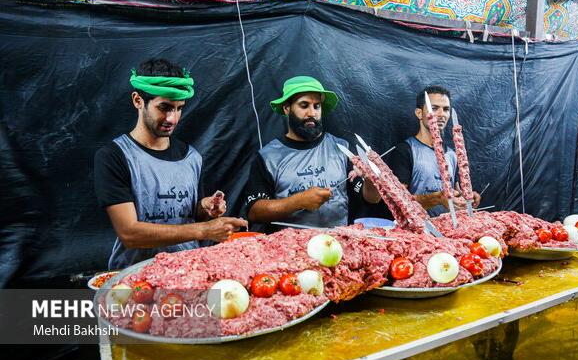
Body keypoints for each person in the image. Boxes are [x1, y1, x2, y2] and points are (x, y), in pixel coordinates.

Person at [94, 58, 247, 269]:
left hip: (189, 271)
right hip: (135, 277)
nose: (172, 119)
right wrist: (205, 230)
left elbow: (190, 215)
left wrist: (205, 208)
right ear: (138, 100)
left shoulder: (191, 157)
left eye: (178, 108)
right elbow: (129, 233)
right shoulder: (115, 156)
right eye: (164, 107)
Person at [243, 76, 380, 231]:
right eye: (304, 105)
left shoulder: (341, 148)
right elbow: (254, 212)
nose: (312, 113)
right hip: (288, 249)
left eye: (316, 106)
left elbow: (371, 199)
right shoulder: (269, 157)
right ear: (287, 108)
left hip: (336, 245)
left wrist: (371, 179)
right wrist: (299, 201)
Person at [384, 85, 481, 216]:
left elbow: (456, 192)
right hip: (414, 230)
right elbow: (398, 201)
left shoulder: (452, 155)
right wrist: (437, 198)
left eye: (446, 109)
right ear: (419, 113)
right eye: (434, 108)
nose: (441, 114)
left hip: (447, 228)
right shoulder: (405, 150)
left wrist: (466, 198)